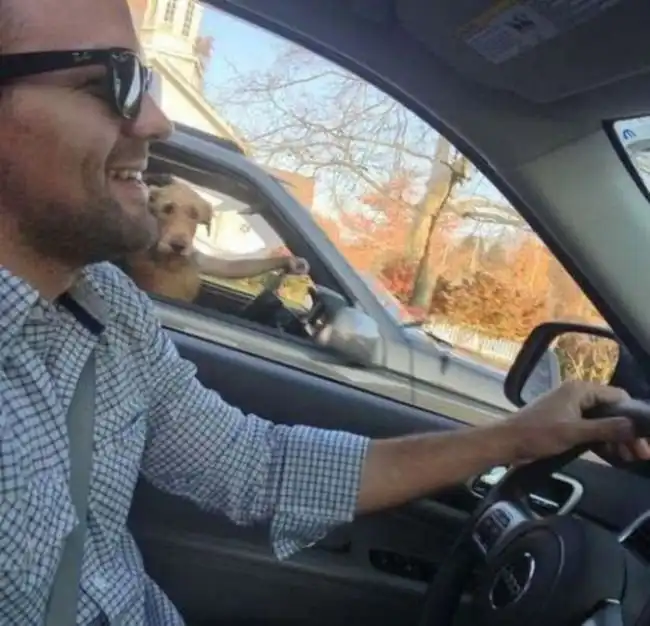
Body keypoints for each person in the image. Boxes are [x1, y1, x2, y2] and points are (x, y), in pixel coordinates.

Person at [0, 0, 647, 623]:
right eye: (106, 81)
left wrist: (514, 438)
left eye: (143, 81)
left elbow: (257, 465)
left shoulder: (109, 308)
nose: (154, 121)